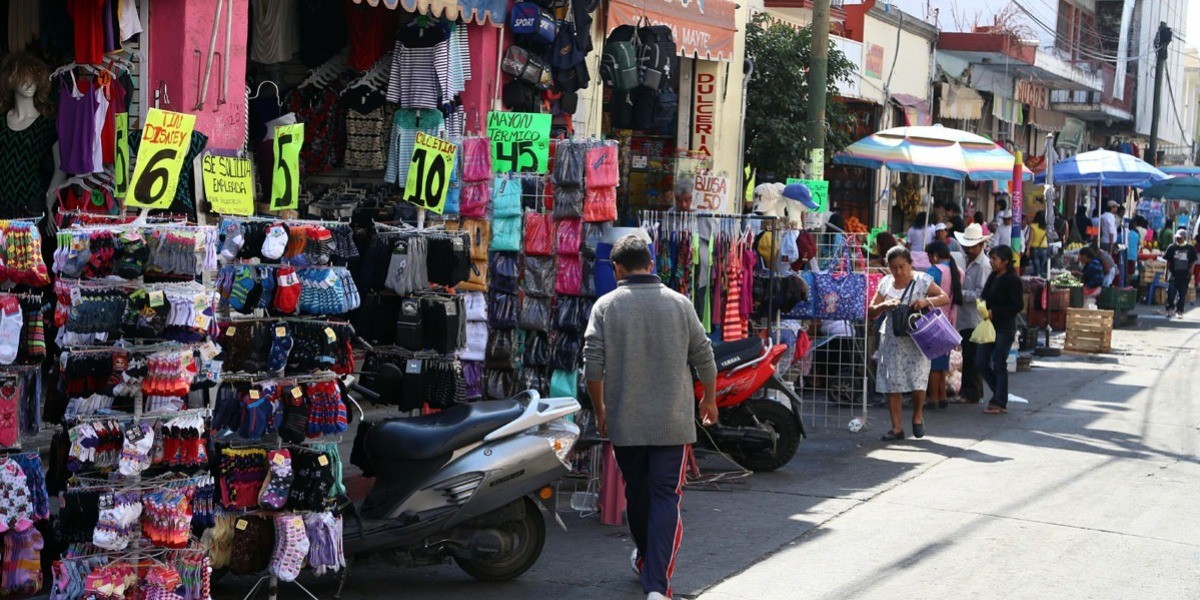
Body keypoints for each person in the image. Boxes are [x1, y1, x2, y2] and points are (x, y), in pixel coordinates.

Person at [582, 234, 718, 600]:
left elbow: (592, 366)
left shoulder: (606, 306)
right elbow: (705, 355)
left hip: (625, 421)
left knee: (638, 498)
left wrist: (600, 411)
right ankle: (656, 581)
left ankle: (651, 570)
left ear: (617, 268)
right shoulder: (680, 304)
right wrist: (710, 401)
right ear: (652, 264)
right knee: (664, 499)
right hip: (673, 423)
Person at [867, 246, 950, 441]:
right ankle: (896, 428)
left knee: (918, 380)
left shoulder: (921, 280)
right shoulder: (885, 283)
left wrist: (925, 302)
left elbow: (944, 297)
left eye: (901, 266)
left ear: (910, 264)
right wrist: (884, 305)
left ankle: (917, 415)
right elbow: (871, 310)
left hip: (917, 339)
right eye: (893, 267)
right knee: (893, 383)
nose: (898, 271)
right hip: (892, 339)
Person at [978, 245, 1024, 414]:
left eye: (995, 259)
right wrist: (982, 306)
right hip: (989, 326)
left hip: (1005, 327)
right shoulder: (993, 276)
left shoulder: (1012, 279)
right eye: (991, 258)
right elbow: (984, 295)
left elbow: (1018, 305)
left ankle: (999, 401)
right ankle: (1000, 393)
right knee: (981, 361)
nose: (991, 262)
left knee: (999, 362)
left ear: (1005, 261)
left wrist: (995, 312)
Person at [952, 224, 992, 404]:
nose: (968, 249)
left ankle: (972, 392)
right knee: (967, 356)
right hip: (964, 316)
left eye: (972, 246)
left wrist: (961, 294)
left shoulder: (983, 265)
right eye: (967, 245)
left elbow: (980, 293)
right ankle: (969, 391)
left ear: (981, 246)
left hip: (974, 317)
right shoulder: (965, 260)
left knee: (972, 358)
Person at [924, 240, 961, 410]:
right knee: (942, 362)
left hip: (934, 320)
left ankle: (933, 398)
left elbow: (923, 290)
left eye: (929, 257)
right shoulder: (958, 271)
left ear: (936, 256)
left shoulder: (935, 271)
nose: (929, 260)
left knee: (932, 363)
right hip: (950, 320)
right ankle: (942, 395)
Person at [1162, 230, 1197, 318]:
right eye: (1177, 238)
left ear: (1184, 238)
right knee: (1171, 292)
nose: (1178, 240)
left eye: (1180, 238)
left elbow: (1193, 261)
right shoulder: (1171, 247)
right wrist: (1165, 273)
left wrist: (1191, 270)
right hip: (1173, 274)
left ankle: (1179, 311)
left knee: (1182, 294)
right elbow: (1168, 262)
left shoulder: (1190, 248)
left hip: (1184, 276)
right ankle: (1169, 309)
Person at [1024, 210, 1049, 277]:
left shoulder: (1033, 226)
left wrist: (1028, 249)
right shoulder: (1046, 227)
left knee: (1036, 268)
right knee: (1042, 268)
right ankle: (1043, 281)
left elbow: (1030, 239)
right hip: (1044, 249)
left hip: (1035, 249)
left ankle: (1038, 280)